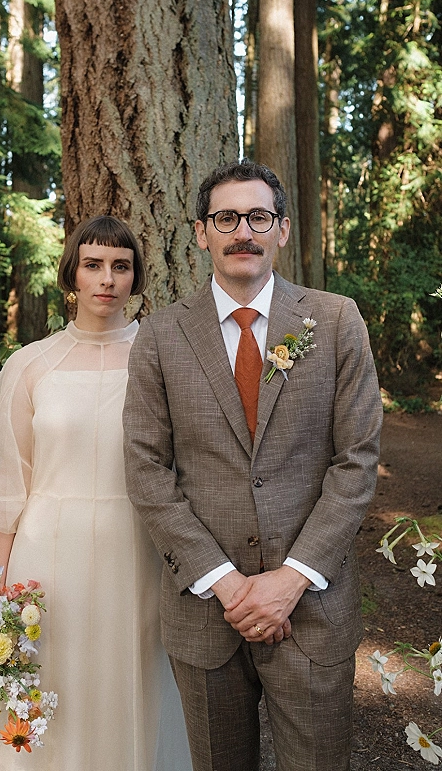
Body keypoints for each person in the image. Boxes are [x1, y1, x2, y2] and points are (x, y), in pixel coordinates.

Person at [123, 161, 383, 771]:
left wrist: (291, 578)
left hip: (312, 611)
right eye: (226, 218)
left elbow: (357, 461)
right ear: (201, 232)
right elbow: (146, 470)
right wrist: (227, 582)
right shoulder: (160, 336)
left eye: (258, 217)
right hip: (205, 613)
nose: (243, 231)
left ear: (282, 230)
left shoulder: (337, 320)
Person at [0, 215, 192, 771]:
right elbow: (7, 478)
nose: (107, 279)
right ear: (72, 275)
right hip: (47, 552)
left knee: (128, 675)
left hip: (136, 548)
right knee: (51, 678)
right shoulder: (31, 364)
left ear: (135, 278)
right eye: (94, 265)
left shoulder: (162, 359)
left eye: (121, 267)